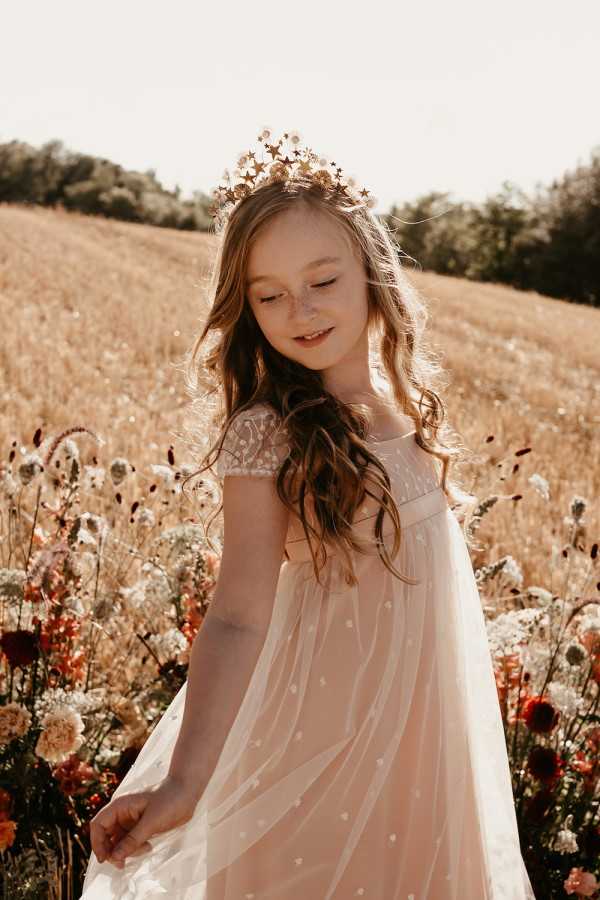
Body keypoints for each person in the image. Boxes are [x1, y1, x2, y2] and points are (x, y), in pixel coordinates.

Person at [80, 128, 536, 898]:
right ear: (245, 305)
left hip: (424, 746)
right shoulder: (270, 431)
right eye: (269, 294)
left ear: (372, 271)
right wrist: (187, 782)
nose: (300, 309)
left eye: (323, 280)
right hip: (318, 745)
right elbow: (237, 616)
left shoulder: (402, 410)